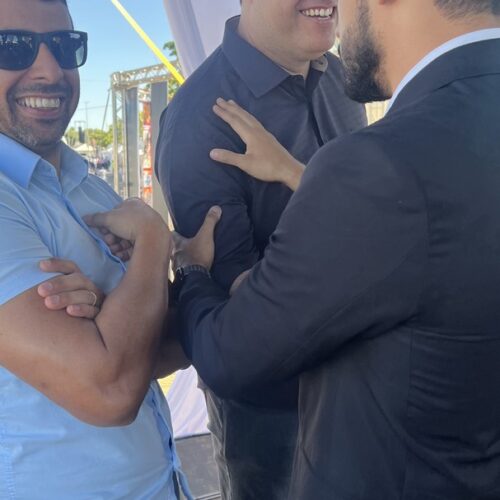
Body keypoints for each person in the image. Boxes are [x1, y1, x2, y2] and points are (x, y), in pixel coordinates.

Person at [166, 0, 500, 498]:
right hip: (271, 427)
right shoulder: (197, 118)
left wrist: (188, 270)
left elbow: (391, 216)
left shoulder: (350, 84)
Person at [155, 1, 367, 497]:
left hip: (369, 386)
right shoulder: (199, 119)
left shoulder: (341, 77)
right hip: (278, 417)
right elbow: (245, 308)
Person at [0, 0, 191, 498]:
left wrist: (115, 321)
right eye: (13, 47)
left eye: (65, 46)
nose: (49, 70)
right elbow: (109, 391)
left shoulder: (89, 187)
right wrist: (153, 242)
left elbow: (157, 347)